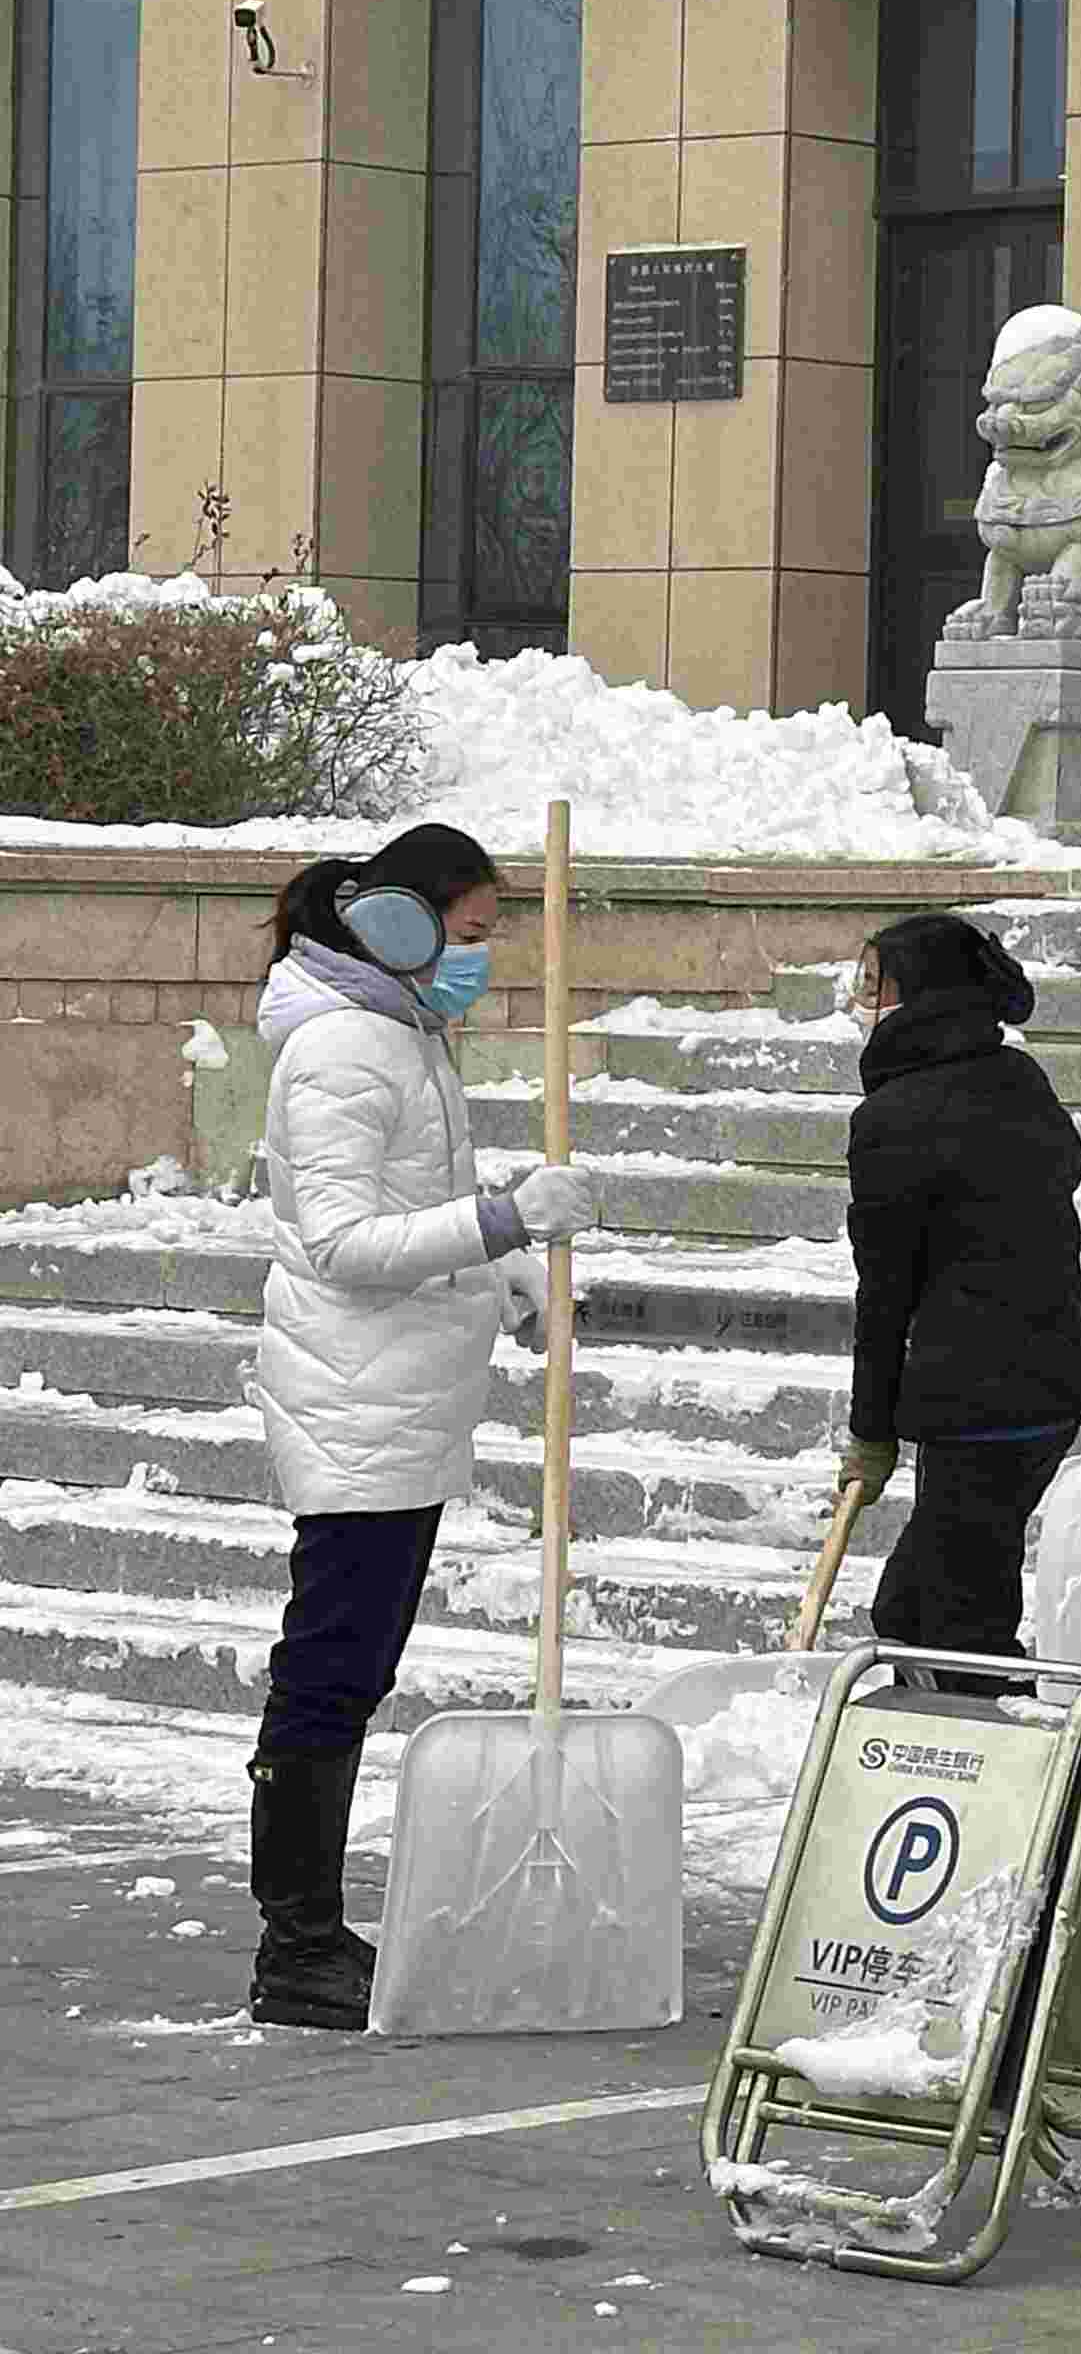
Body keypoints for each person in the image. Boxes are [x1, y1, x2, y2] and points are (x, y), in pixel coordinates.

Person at [243, 824, 597, 2031]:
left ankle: (310, 1934)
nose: (482, 960)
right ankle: (295, 1948)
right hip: (355, 1401)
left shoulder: (399, 1032)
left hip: (400, 1396)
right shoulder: (343, 1047)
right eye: (473, 932)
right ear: (398, 921)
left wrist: (503, 1277)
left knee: (352, 1666)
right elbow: (343, 1245)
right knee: (331, 1670)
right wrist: (503, 1223)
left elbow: (412, 1210)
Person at [837, 914, 1081, 1688]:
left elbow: (884, 1296)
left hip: (978, 1408)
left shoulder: (892, 1119)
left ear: (921, 995)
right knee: (910, 1610)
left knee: (959, 1627)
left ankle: (1016, 1742)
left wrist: (871, 1434)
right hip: (1050, 1391)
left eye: (875, 986)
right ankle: (939, 1730)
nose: (861, 1002)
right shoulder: (1020, 1079)